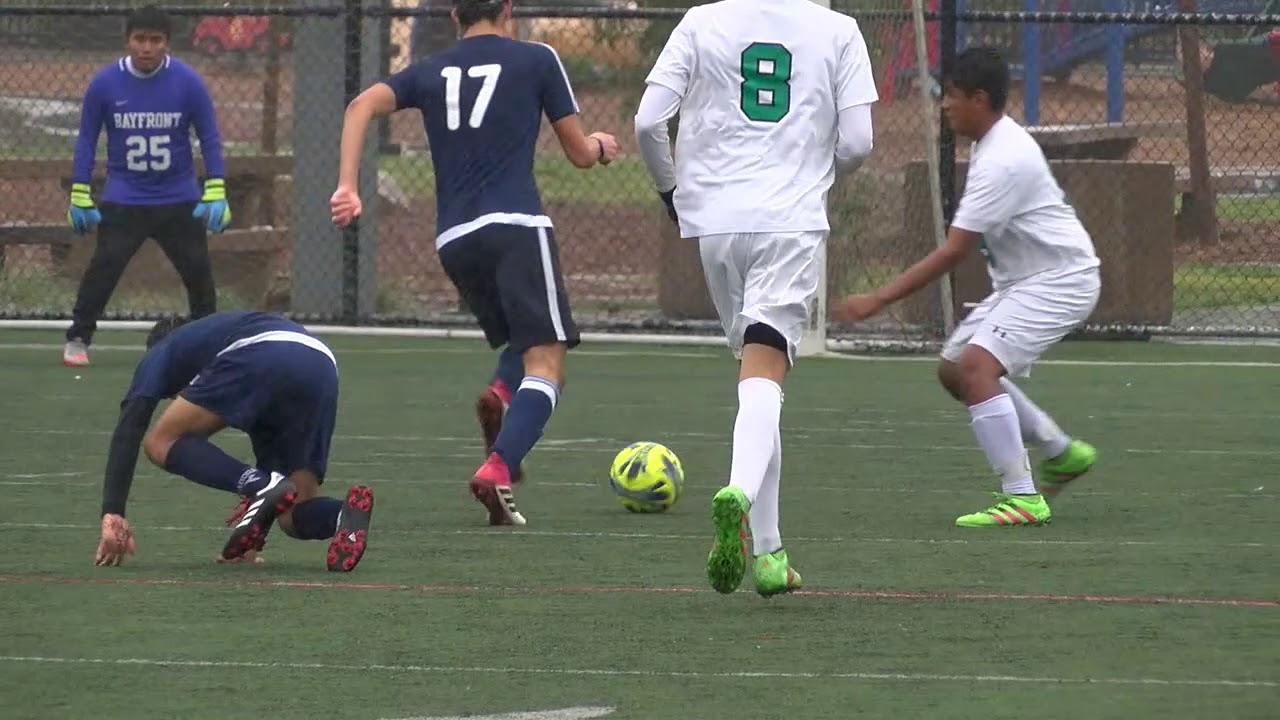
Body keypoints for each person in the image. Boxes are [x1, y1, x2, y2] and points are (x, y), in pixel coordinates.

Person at [330, 0, 618, 526]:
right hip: (517, 227)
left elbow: (359, 107)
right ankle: (500, 466)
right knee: (548, 362)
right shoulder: (537, 58)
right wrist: (600, 146)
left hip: (456, 239)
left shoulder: (430, 70)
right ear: (508, 8)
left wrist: (348, 185)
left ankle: (501, 392)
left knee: (519, 337)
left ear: (451, 14)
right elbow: (577, 152)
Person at [634, 0, 876, 596]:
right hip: (788, 218)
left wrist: (671, 191)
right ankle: (738, 493)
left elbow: (646, 123)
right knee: (765, 375)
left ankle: (770, 555)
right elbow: (860, 142)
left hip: (715, 220)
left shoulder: (699, 20)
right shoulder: (839, 29)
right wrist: (815, 168)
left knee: (758, 380)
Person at [835, 47, 1100, 528]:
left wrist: (878, 298)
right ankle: (1061, 452)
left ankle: (1022, 497)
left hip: (1060, 280)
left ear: (980, 99)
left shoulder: (1003, 159)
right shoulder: (989, 144)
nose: (944, 106)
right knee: (956, 370)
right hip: (1031, 281)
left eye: (952, 96)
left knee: (976, 366)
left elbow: (954, 251)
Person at [92, 311, 374, 571]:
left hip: (265, 349)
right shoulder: (222, 335)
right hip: (320, 364)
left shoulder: (165, 349)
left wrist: (113, 512)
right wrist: (249, 540)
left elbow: (131, 423)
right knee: (292, 512)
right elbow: (272, 469)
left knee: (160, 442)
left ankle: (260, 486)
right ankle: (343, 516)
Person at [64, 5, 231, 368]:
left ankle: (208, 344)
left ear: (167, 43)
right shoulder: (105, 84)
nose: (146, 47)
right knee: (104, 266)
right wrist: (80, 189)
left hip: (178, 197)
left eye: (155, 40)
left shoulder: (188, 82)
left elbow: (210, 137)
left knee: (199, 273)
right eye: (140, 39)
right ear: (127, 40)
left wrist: (216, 186)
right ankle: (78, 336)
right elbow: (87, 138)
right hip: (126, 197)